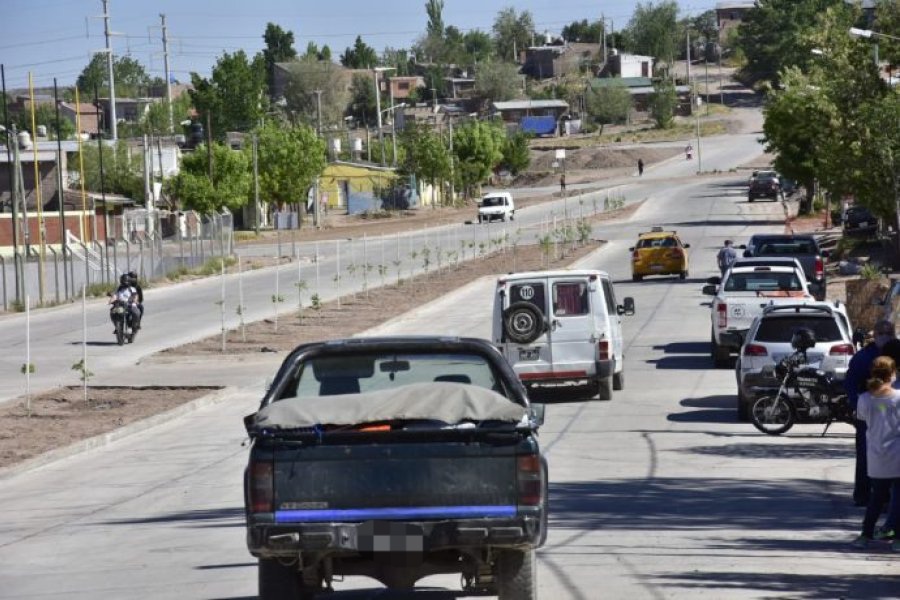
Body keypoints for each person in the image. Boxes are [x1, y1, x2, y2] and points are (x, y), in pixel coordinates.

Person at [851, 355, 900, 550]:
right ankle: (896, 537)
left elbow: (862, 418)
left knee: (876, 497)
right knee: (898, 497)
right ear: (892, 374)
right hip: (897, 453)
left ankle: (866, 533)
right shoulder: (898, 398)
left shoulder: (864, 399)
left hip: (876, 456)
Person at [846, 320, 896, 506]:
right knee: (866, 454)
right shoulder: (863, 357)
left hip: (892, 414)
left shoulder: (896, 352)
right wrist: (858, 406)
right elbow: (851, 384)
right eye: (882, 332)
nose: (885, 335)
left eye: (889, 332)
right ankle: (863, 494)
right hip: (870, 415)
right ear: (874, 335)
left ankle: (886, 498)